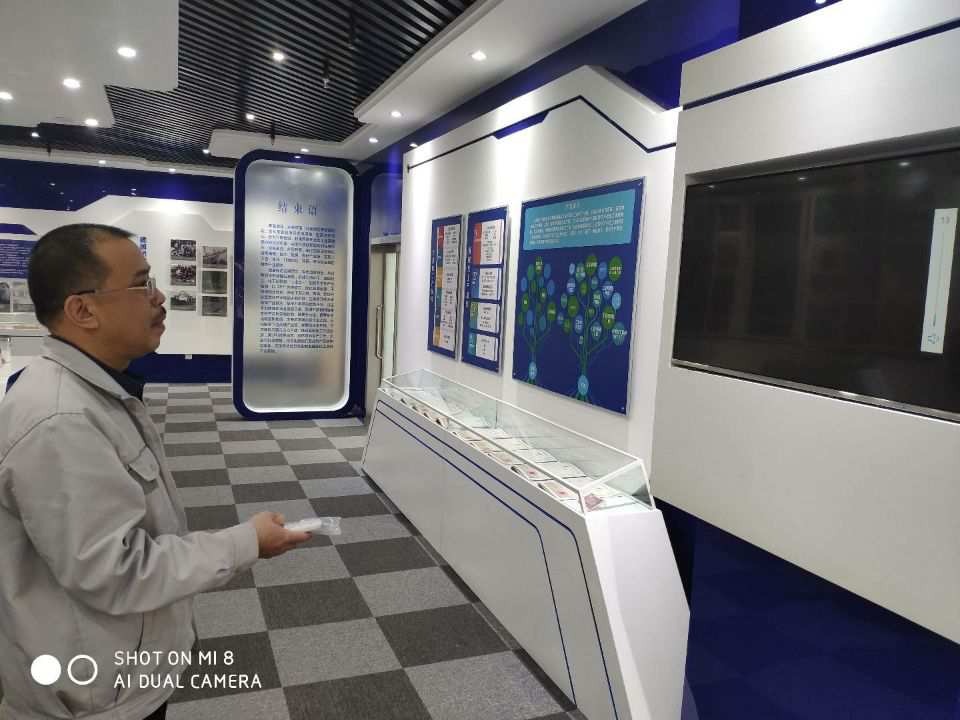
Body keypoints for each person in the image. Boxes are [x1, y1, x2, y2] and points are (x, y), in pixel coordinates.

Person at [0, 224, 312, 720]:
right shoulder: (61, 420)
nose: (160, 297)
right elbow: (115, 572)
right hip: (94, 697)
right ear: (83, 310)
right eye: (141, 284)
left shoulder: (96, 394)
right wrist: (246, 542)